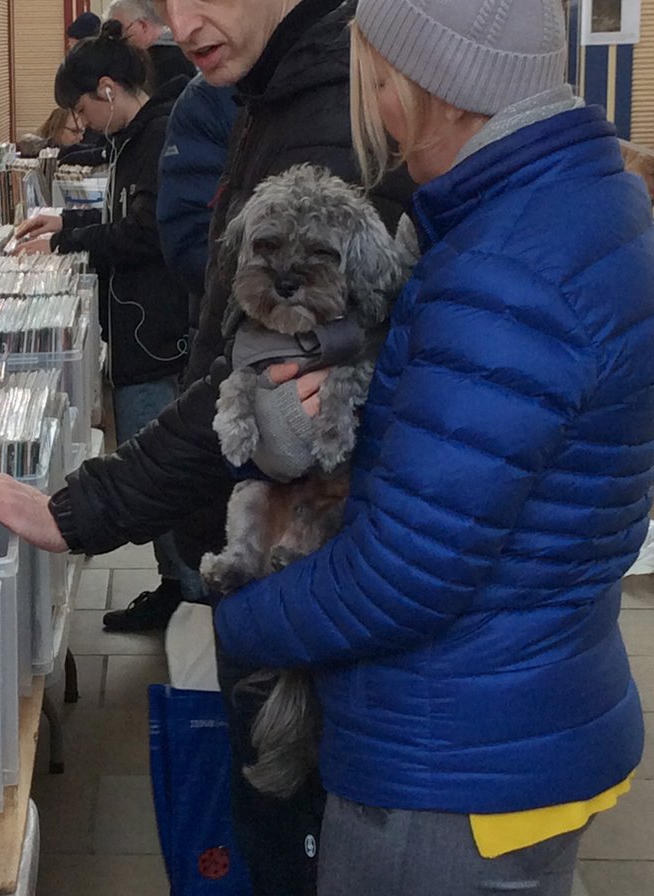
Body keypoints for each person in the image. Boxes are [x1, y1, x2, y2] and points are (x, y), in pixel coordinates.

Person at [0, 0, 413, 892]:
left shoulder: (330, 110)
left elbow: (254, 379)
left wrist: (76, 509)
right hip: (277, 562)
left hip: (309, 571)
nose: (186, 23)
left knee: (286, 807)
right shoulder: (270, 91)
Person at [213, 0, 654, 891]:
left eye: (377, 80)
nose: (373, 106)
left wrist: (240, 620)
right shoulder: (577, 203)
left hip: (447, 761)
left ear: (435, 91)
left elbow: (404, 573)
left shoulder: (505, 266)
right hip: (525, 712)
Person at [13, 20, 198, 623]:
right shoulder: (136, 137)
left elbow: (145, 231)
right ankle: (176, 586)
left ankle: (189, 596)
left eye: (83, 108)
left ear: (108, 88)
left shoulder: (161, 136)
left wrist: (69, 245)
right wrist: (65, 224)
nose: (84, 123)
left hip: (155, 337)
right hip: (139, 330)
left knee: (162, 478)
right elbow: (123, 214)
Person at [157, 72, 239, 329]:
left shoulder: (205, 99)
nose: (182, 32)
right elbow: (189, 237)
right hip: (232, 320)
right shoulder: (207, 97)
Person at [106, 0, 197, 91]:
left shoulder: (168, 61)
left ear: (142, 25)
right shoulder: (182, 47)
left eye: (120, 30)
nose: (119, 39)